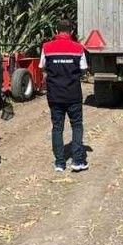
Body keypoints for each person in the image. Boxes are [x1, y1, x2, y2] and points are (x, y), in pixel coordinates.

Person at [40, 17, 88, 173]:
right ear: (72, 32)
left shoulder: (46, 47)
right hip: (73, 94)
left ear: (56, 31)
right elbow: (84, 69)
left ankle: (60, 163)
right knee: (76, 126)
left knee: (57, 128)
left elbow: (42, 67)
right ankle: (78, 161)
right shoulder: (78, 48)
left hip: (54, 95)